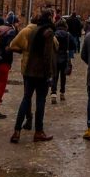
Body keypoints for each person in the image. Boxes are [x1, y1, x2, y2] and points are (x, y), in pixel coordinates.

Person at [9, 10, 58, 143]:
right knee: (40, 101)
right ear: (49, 18)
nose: (54, 19)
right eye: (53, 17)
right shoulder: (48, 32)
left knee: (26, 99)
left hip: (29, 70)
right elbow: (47, 56)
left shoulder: (32, 31)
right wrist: (49, 76)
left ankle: (16, 131)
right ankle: (39, 131)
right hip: (41, 72)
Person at [0, 16, 17, 119]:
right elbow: (9, 47)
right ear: (13, 22)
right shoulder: (11, 32)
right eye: (17, 22)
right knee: (1, 86)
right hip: (4, 62)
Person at [52, 19, 75, 103]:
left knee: (55, 76)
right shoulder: (68, 35)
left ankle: (53, 94)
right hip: (65, 57)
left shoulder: (54, 35)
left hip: (55, 57)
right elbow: (73, 46)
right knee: (63, 76)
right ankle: (62, 93)